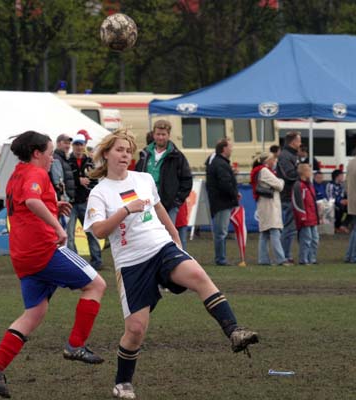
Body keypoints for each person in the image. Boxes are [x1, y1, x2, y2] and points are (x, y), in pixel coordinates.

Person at [83, 130, 259, 400]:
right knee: (136, 330)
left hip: (161, 247)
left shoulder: (143, 179)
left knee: (198, 275)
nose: (125, 155)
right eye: (119, 150)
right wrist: (125, 210)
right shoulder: (100, 192)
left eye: (128, 151)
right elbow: (99, 231)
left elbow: (158, 207)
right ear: (106, 154)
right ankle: (123, 383)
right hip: (131, 264)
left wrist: (175, 236)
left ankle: (234, 331)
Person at [0, 131, 107, 399]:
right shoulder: (36, 173)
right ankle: (75, 345)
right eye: (49, 153)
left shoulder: (17, 173)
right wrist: (57, 228)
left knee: (34, 312)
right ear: (37, 153)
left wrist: (52, 204)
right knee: (96, 285)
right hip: (43, 250)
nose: (52, 158)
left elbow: (26, 203)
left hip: (22, 255)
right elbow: (32, 200)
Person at [135, 119, 192, 224]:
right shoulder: (145, 154)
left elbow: (187, 180)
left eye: (163, 134)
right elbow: (136, 176)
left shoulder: (177, 156)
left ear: (168, 135)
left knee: (167, 233)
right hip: (147, 204)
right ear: (153, 135)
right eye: (158, 134)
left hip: (168, 206)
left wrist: (176, 202)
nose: (160, 137)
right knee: (147, 232)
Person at [67, 133, 102, 269]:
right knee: (69, 234)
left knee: (91, 232)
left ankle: (97, 261)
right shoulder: (67, 161)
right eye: (76, 144)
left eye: (81, 144)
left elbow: (95, 181)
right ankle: (74, 262)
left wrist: (91, 195)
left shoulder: (90, 161)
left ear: (85, 145)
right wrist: (78, 180)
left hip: (86, 202)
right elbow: (66, 179)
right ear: (73, 146)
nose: (78, 147)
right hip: (70, 203)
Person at [250, 153, 289, 266]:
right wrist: (281, 181)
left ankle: (263, 259)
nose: (275, 162)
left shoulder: (259, 171)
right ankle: (280, 259)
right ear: (267, 161)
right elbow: (280, 185)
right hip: (269, 206)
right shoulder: (264, 171)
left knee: (265, 233)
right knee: (274, 231)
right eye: (273, 160)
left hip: (264, 205)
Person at [206, 138, 240, 266]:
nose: (232, 149)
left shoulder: (218, 162)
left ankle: (221, 257)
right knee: (221, 232)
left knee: (221, 231)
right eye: (230, 147)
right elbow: (224, 183)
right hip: (222, 202)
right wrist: (234, 194)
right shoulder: (220, 163)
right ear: (224, 149)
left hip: (221, 201)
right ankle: (220, 258)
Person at [276, 131, 301, 263]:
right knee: (289, 227)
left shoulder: (292, 155)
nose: (300, 143)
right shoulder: (285, 156)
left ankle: (286, 254)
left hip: (292, 194)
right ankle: (284, 255)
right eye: (299, 140)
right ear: (293, 142)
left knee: (291, 227)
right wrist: (301, 171)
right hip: (288, 195)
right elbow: (289, 174)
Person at [292, 164, 320, 265]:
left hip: (312, 217)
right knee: (306, 239)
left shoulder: (309, 185)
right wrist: (302, 215)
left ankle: (312, 258)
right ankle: (303, 259)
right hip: (305, 218)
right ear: (303, 172)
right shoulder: (298, 185)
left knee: (315, 239)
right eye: (309, 170)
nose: (311, 173)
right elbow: (297, 202)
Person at [52, 133, 76, 203]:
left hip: (67, 200)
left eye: (69, 144)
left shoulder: (64, 158)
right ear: (58, 143)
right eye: (65, 143)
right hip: (63, 201)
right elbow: (58, 183)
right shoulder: (56, 159)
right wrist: (65, 199)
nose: (68, 146)